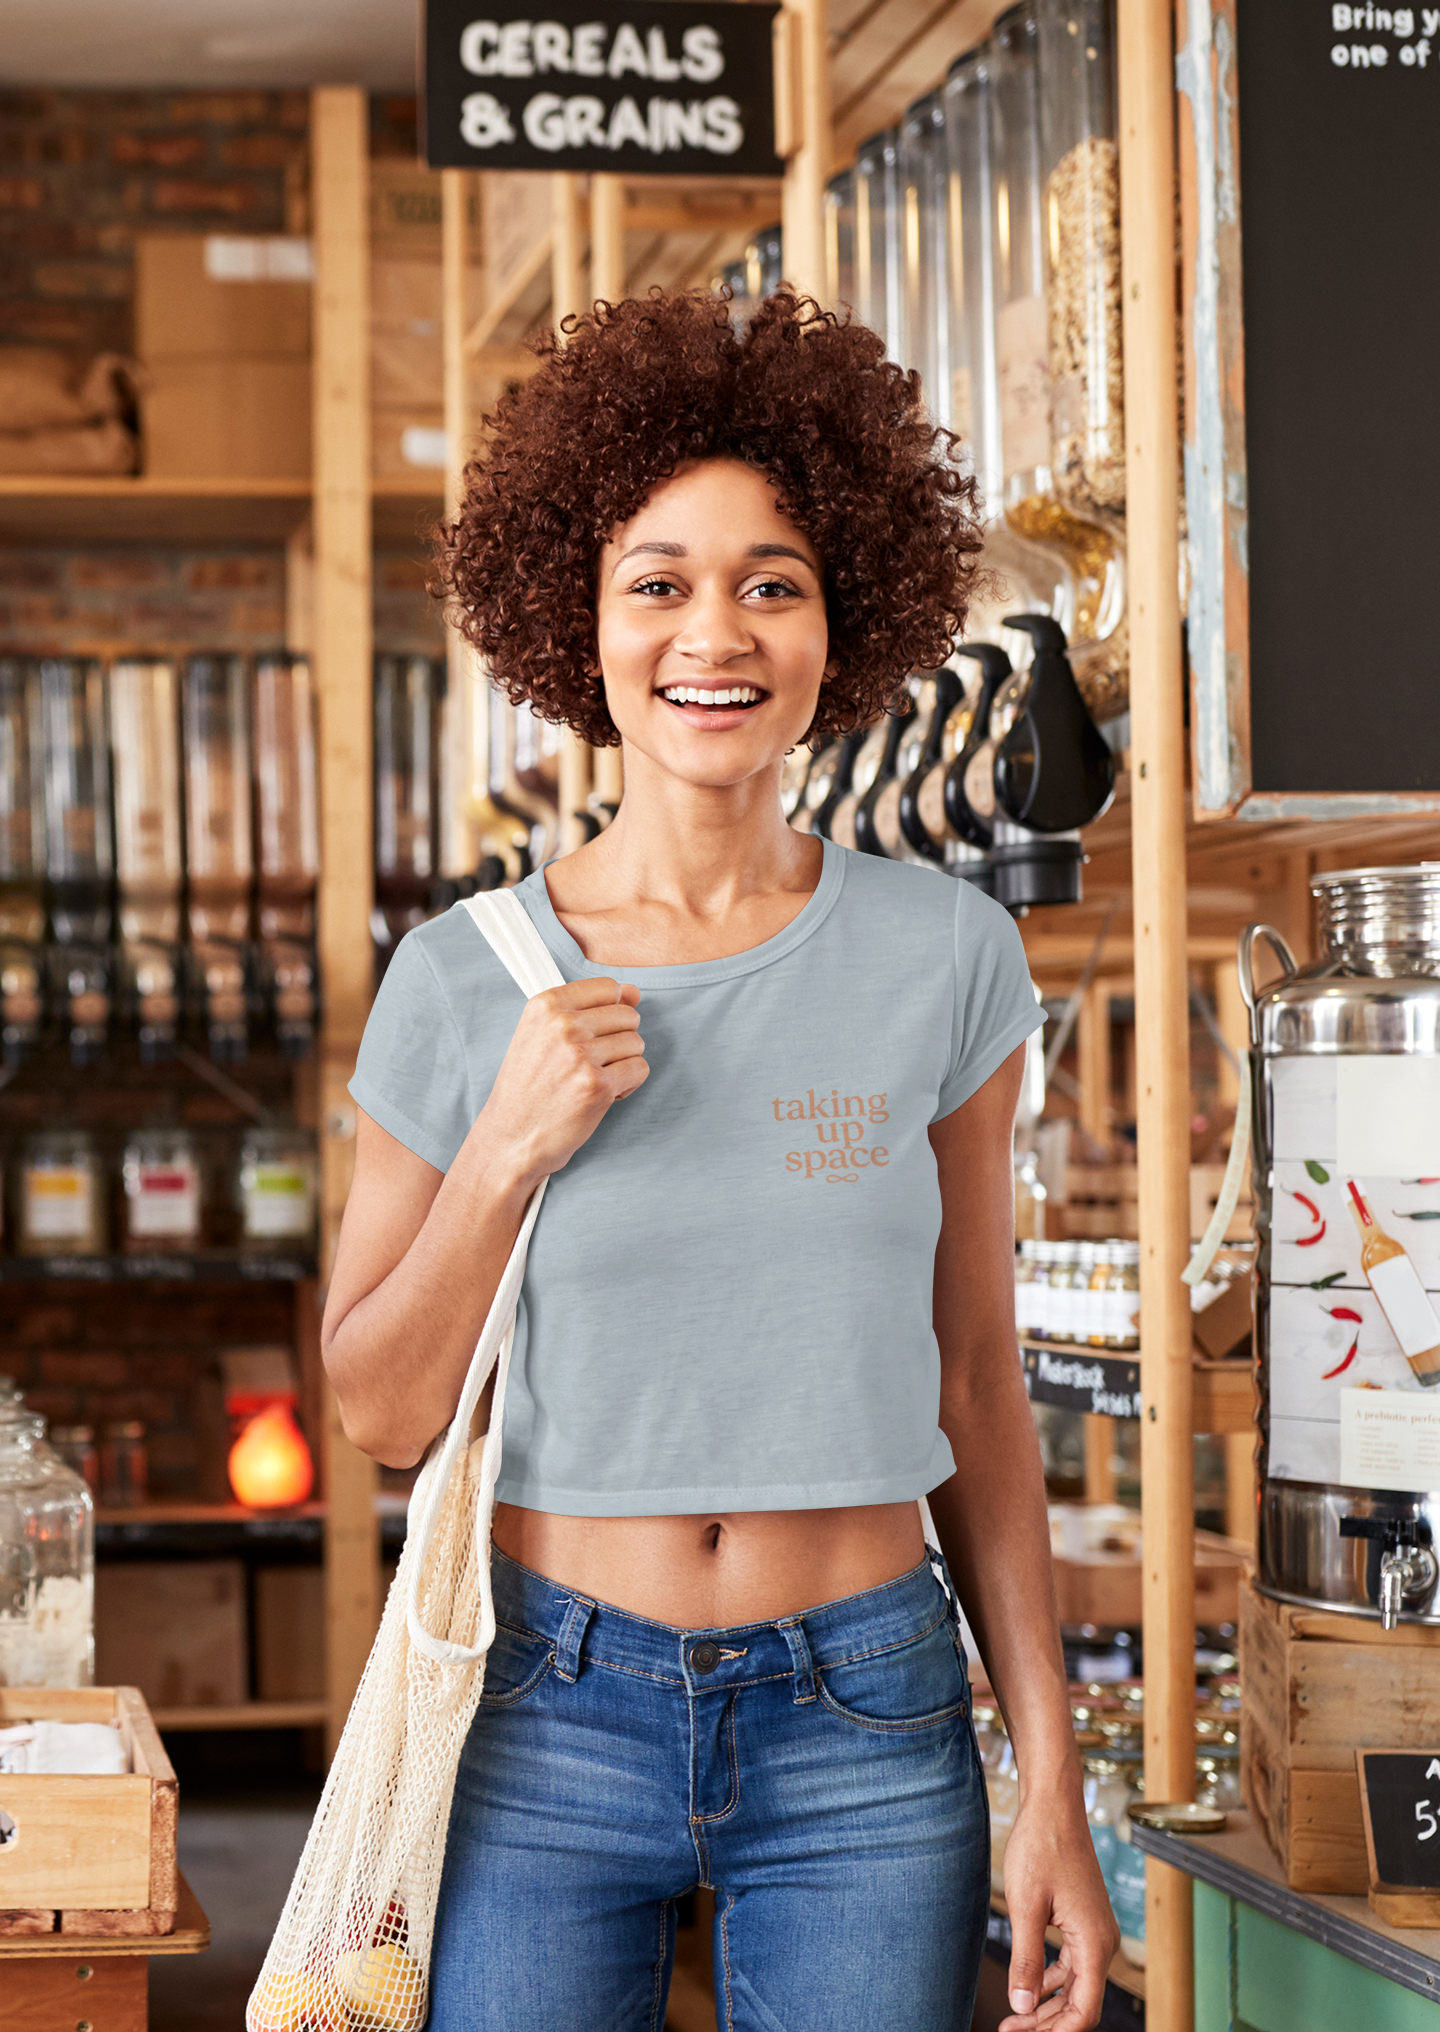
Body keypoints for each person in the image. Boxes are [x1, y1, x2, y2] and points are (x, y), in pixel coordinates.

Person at [324, 289, 1117, 2032]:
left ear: (844, 624)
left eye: (772, 584)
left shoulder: (947, 955)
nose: (716, 634)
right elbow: (379, 1410)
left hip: (867, 1714)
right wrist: (504, 1153)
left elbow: (980, 1381)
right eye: (658, 583)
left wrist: (1049, 1775)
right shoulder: (461, 979)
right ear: (579, 619)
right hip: (545, 1705)